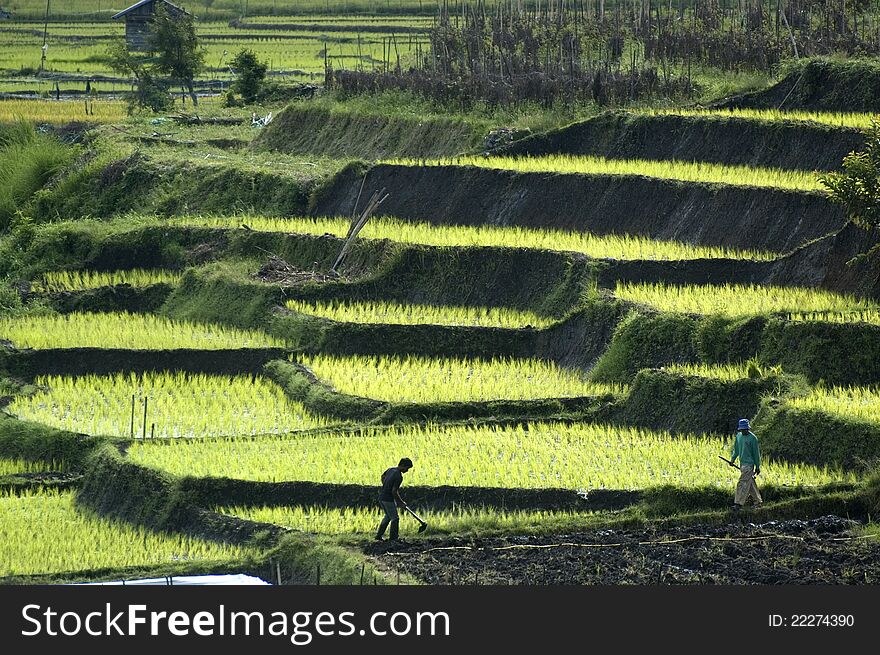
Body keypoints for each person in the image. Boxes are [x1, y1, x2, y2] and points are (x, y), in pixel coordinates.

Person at [375, 457, 413, 541]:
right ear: (402, 465)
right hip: (388, 499)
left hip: (382, 497)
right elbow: (394, 491)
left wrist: (385, 485)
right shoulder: (399, 476)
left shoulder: (391, 469)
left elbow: (382, 476)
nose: (407, 471)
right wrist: (401, 502)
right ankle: (393, 538)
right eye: (407, 468)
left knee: (388, 517)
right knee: (395, 518)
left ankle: (378, 536)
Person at [730, 418, 762, 510]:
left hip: (749, 465)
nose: (744, 431)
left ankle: (738, 503)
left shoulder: (753, 438)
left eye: (745, 429)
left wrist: (757, 466)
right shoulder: (739, 436)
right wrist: (732, 459)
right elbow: (736, 450)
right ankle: (758, 502)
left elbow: (756, 454)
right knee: (750, 482)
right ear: (740, 429)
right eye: (742, 429)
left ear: (748, 428)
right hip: (742, 464)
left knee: (742, 483)